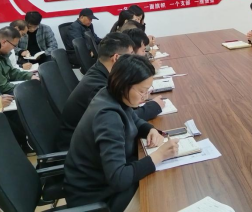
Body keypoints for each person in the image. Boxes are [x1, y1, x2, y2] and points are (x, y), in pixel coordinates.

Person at [64, 54, 179, 212]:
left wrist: (150, 129)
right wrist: (159, 155)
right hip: (95, 195)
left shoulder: (112, 95)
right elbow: (119, 178)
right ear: (124, 84)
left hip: (102, 182)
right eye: (142, 91)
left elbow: (134, 119)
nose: (145, 96)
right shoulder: (108, 117)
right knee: (162, 194)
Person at [57, 33, 164, 151]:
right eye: (130, 55)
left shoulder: (101, 73)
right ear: (116, 58)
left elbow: (127, 114)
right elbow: (122, 119)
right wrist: (153, 107)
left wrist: (149, 128)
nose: (133, 59)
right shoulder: (99, 87)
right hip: (81, 149)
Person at [0, 27, 40, 95]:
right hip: (2, 93)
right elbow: (2, 87)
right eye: (14, 45)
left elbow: (12, 72)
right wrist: (26, 86)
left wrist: (30, 76)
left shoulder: (3, 54)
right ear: (4, 42)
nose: (13, 48)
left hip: (8, 87)